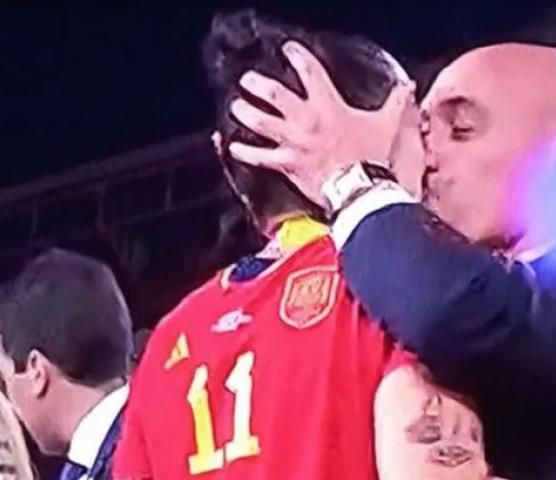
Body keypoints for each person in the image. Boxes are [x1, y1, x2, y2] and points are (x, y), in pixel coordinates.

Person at [227, 41, 556, 479]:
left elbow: (461, 309)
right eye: (423, 135)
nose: (428, 157)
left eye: (460, 129)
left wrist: (350, 178)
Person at [112, 10, 489, 480]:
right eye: (420, 125)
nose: (431, 155)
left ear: (233, 169)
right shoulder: (400, 293)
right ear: (371, 136)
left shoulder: (171, 338)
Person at [0, 248, 134, 480]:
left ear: (36, 371)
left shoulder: (132, 459)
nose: (11, 405)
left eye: (5, 381)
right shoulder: (163, 427)